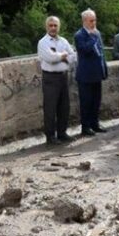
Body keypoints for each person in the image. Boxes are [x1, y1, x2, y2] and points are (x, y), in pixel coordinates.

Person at [37, 16, 77, 145]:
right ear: (47, 27)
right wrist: (63, 55)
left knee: (64, 107)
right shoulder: (43, 42)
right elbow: (50, 58)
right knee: (50, 108)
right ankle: (50, 136)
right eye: (51, 25)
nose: (53, 28)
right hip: (50, 77)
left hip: (63, 76)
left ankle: (62, 133)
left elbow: (73, 57)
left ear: (59, 27)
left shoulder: (63, 41)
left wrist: (60, 56)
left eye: (55, 25)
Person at [74, 9, 108, 136]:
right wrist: (93, 37)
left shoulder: (97, 33)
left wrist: (104, 69)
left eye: (95, 20)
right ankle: (85, 127)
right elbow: (85, 50)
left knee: (96, 101)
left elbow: (101, 53)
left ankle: (95, 124)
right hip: (85, 75)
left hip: (97, 74)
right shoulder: (79, 35)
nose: (94, 23)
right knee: (86, 102)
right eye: (91, 20)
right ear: (84, 21)